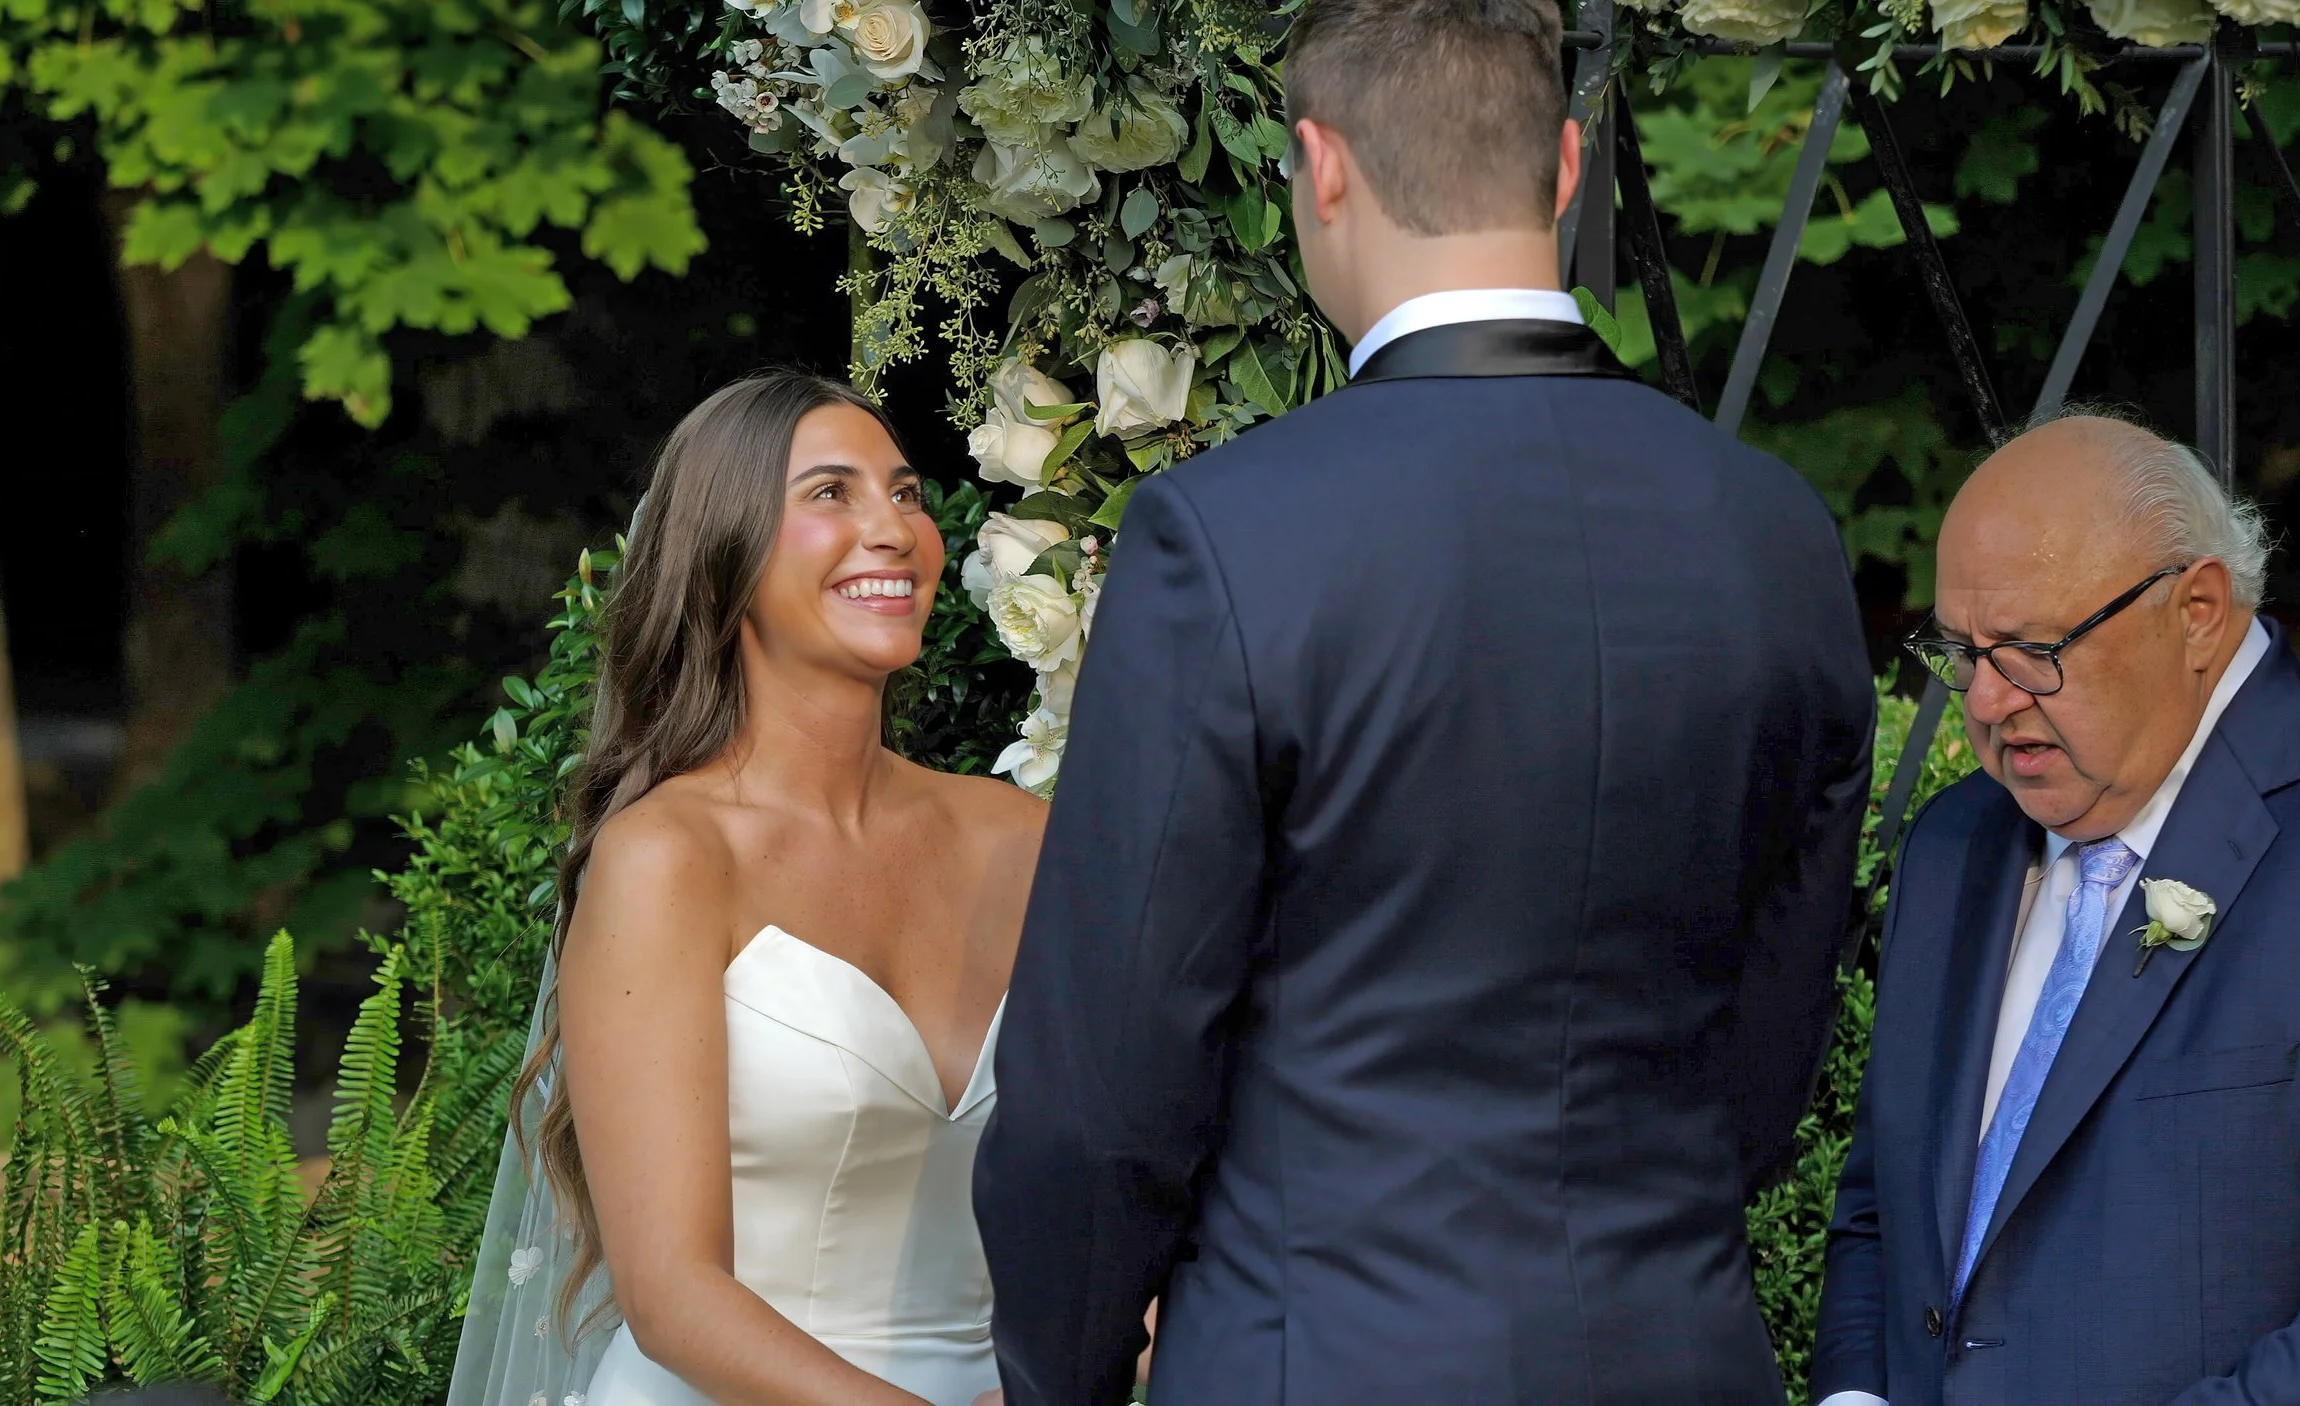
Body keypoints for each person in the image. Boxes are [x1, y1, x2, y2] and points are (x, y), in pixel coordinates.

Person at [970, 0, 1877, 1400]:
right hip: (1679, 1348)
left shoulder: (1228, 537)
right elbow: (1777, 1022)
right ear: (1568, 167)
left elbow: (1103, 1090)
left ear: (1320, 166)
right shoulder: (1773, 530)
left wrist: (1066, 1374)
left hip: (1319, 1353)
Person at [445, 371, 1046, 1406]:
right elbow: (673, 1292)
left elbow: (1147, 1170)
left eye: (903, 492)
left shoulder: (1022, 835)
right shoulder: (665, 859)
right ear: (725, 555)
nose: (893, 528)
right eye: (830, 494)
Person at [1811, 415, 2300, 1406]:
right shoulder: (1955, 844)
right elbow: (1883, 1209)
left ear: (2198, 611)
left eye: (2034, 649)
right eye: (1962, 650)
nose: (1988, 700)